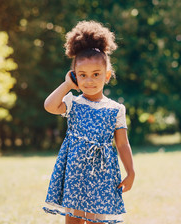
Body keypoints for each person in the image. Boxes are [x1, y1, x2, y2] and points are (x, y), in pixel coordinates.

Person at [42, 20, 135, 224]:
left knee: (97, 220)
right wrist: (67, 85)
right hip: (75, 172)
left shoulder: (116, 109)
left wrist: (131, 172)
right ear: (75, 75)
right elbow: (49, 105)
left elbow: (122, 144)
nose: (89, 81)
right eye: (82, 75)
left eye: (96, 74)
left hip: (102, 173)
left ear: (107, 75)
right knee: (73, 220)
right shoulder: (73, 103)